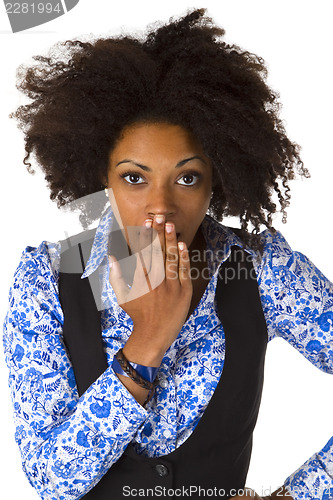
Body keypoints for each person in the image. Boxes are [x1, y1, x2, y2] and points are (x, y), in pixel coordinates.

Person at [3, 8, 333, 500]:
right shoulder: (47, 280)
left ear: (216, 178)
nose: (160, 206)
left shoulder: (261, 268)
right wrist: (149, 340)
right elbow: (53, 481)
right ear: (103, 178)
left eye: (186, 177)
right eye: (134, 178)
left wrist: (297, 496)